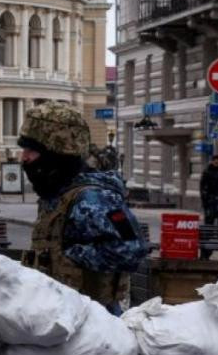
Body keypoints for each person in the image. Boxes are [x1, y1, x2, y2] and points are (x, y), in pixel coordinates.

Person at [17, 102, 148, 313]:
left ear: (56, 153)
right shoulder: (58, 195)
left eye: (31, 150)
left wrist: (72, 255)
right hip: (61, 314)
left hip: (93, 320)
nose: (24, 158)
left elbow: (132, 248)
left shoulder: (93, 197)